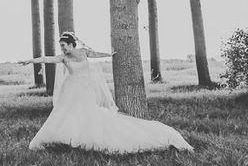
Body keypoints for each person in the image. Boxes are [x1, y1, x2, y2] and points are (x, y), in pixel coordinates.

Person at [19, 31, 193, 154]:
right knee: (66, 113)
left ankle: (84, 136)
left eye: (64, 46)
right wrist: (30, 60)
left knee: (87, 112)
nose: (62, 49)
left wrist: (110, 54)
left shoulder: (83, 52)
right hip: (71, 90)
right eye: (61, 46)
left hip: (85, 89)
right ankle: (63, 136)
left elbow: (96, 54)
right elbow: (48, 59)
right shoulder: (63, 58)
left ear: (72, 44)